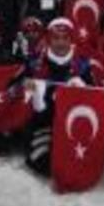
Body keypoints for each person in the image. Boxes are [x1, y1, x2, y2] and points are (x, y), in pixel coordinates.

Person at [25, 18, 93, 175]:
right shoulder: (35, 62)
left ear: (71, 40)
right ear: (49, 39)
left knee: (80, 161)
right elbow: (21, 92)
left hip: (73, 125)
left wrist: (83, 88)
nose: (60, 43)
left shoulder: (82, 65)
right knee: (44, 162)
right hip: (43, 123)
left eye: (65, 38)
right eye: (56, 38)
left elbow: (93, 100)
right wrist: (34, 93)